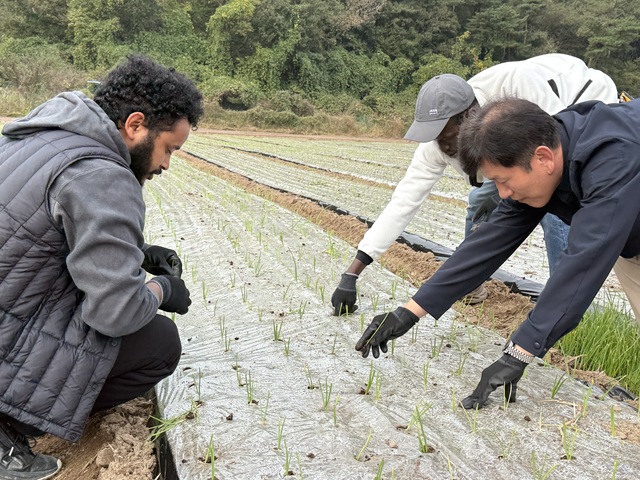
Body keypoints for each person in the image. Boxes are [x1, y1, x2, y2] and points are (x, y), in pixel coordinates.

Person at [355, 96, 640, 410]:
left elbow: (584, 263)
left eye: (503, 181)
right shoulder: (542, 147)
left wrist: (519, 353)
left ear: (543, 159)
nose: (503, 194)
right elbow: (487, 244)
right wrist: (409, 312)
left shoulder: (613, 156)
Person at [0, 55, 203, 479]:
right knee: (158, 341)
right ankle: (8, 430)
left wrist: (139, 250)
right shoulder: (103, 175)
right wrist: (164, 289)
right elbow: (117, 312)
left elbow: (36, 234)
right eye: (169, 148)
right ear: (135, 125)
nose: (166, 164)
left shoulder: (39, 137)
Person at [331, 53, 618, 315]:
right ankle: (471, 283)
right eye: (437, 140)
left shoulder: (517, 91)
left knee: (555, 213)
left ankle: (567, 306)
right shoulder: (438, 144)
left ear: (470, 119)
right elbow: (403, 202)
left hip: (579, 99)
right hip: (504, 150)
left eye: (448, 139)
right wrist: (353, 272)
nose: (444, 148)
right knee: (481, 201)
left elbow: (560, 145)